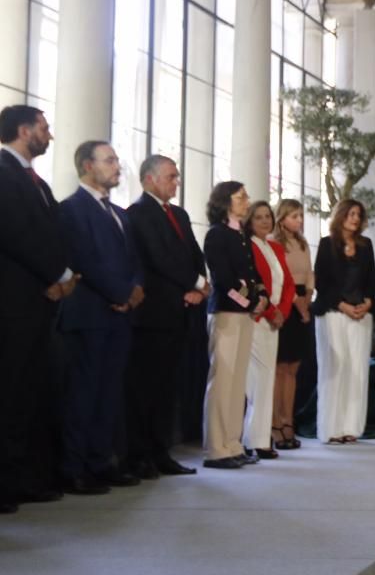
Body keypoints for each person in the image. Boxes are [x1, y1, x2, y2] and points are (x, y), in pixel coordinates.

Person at [0, 105, 76, 512]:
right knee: (9, 393)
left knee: (33, 393)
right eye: (45, 128)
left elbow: (53, 233)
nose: (50, 134)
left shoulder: (38, 182)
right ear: (24, 130)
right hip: (13, 301)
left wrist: (65, 277)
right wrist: (57, 273)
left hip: (41, 302)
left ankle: (27, 476)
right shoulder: (2, 172)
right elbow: (13, 231)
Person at [57, 141, 144, 493]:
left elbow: (134, 261)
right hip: (90, 313)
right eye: (109, 160)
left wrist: (135, 289)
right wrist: (120, 293)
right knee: (83, 394)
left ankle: (101, 461)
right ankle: (73, 468)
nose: (116, 166)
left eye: (116, 160)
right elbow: (84, 259)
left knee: (110, 393)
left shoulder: (121, 214)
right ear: (87, 166)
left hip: (120, 317)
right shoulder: (71, 209)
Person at [124, 155, 208, 479]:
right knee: (145, 387)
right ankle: (139, 454)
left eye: (177, 176)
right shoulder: (138, 213)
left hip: (181, 312)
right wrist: (195, 283)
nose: (177, 182)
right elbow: (159, 258)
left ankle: (161, 452)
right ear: (150, 179)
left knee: (167, 389)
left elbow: (194, 255)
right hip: (153, 314)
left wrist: (199, 287)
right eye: (171, 176)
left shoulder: (180, 214)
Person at [202, 181, 266, 469]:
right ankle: (217, 448)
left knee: (237, 382)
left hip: (244, 314)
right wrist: (249, 303)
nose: (246, 201)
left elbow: (252, 274)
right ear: (226, 202)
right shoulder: (217, 235)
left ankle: (233, 442)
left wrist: (261, 296)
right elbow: (223, 279)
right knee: (223, 380)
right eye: (241, 197)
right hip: (227, 313)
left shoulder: (242, 235)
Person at [313, 199, 375, 444]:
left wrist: (368, 302)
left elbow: (372, 279)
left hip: (361, 314)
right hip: (333, 313)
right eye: (351, 214)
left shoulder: (366, 245)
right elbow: (322, 282)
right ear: (340, 216)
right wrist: (343, 305)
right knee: (334, 370)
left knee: (357, 371)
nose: (355, 219)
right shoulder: (327, 244)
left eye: (358, 215)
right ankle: (331, 428)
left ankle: (352, 428)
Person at [243, 201, 295, 459]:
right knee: (255, 381)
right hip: (255, 318)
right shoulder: (247, 246)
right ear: (249, 221)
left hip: (275, 320)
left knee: (267, 379)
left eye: (267, 217)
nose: (264, 221)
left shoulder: (274, 247)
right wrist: (268, 311)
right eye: (258, 217)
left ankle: (261, 438)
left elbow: (288, 286)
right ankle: (254, 439)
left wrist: (282, 312)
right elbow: (253, 283)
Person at [272, 198, 313, 450]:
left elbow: (309, 273)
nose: (299, 220)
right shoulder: (275, 243)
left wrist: (308, 297)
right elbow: (282, 278)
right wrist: (297, 302)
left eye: (300, 216)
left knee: (293, 369)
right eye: (294, 216)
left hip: (302, 302)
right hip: (285, 302)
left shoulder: (303, 242)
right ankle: (276, 423)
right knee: (279, 368)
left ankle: (289, 420)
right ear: (282, 217)